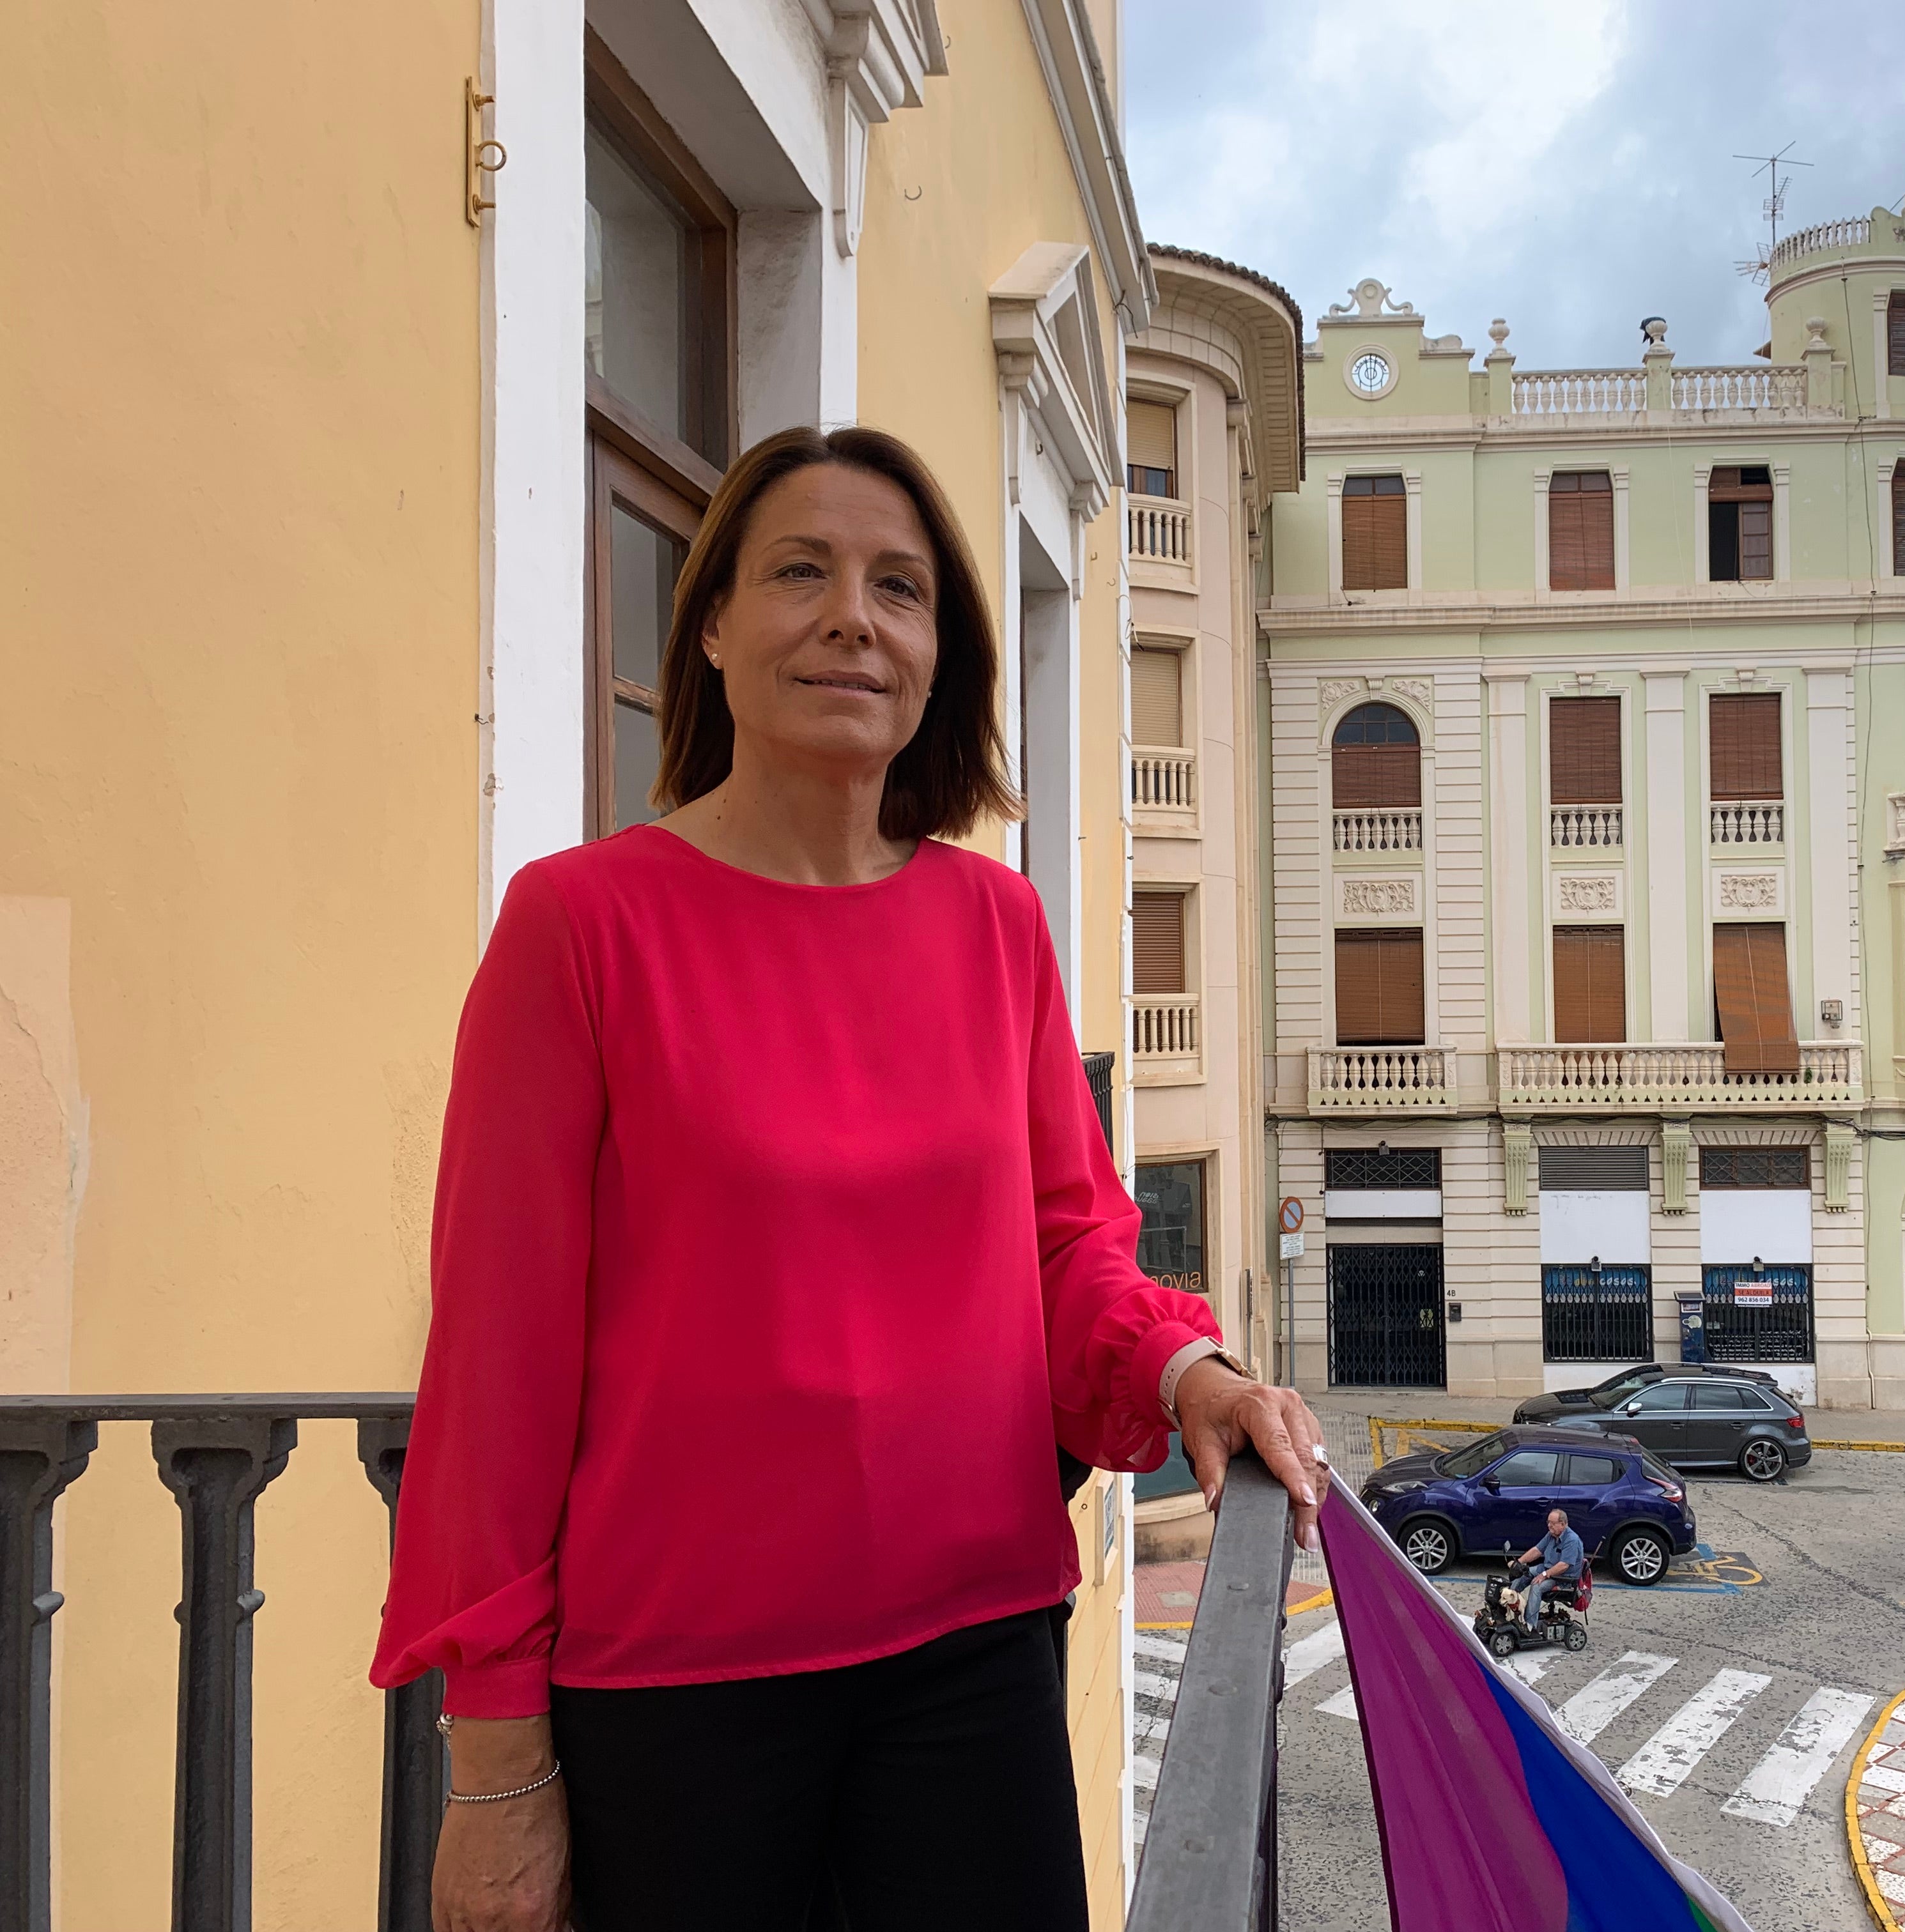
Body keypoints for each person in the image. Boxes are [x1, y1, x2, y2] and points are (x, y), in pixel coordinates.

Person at [368, 425, 1325, 1932]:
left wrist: (1186, 1366)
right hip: (673, 1706)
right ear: (713, 623)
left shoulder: (998, 926)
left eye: (901, 588)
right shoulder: (579, 928)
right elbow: (497, 1363)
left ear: (937, 652)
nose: (851, 618)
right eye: (799, 572)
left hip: (977, 1667)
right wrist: (495, 1772)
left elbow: (1068, 1245)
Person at [1515, 1509, 1586, 1634]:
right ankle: (1510, 1604)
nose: (1549, 1526)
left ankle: (1530, 1626)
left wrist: (1545, 1575)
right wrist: (1519, 1563)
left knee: (1536, 1586)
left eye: (1553, 1523)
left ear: (1563, 1524)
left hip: (1563, 1578)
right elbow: (1537, 1550)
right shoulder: (1552, 1535)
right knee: (1523, 1574)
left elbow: (1564, 1566)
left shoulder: (1572, 1540)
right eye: (1548, 1522)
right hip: (1547, 1569)